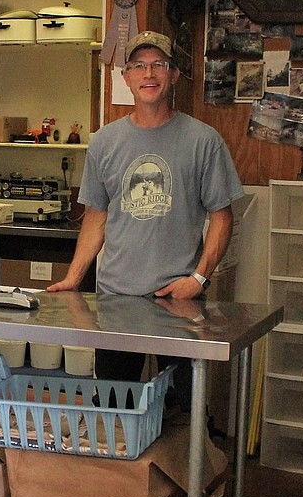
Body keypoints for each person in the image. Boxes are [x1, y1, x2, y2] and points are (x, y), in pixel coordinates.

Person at [47, 30, 244, 407]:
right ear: (126, 78)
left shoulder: (204, 141)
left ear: (173, 75)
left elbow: (222, 217)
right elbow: (96, 216)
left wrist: (199, 279)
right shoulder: (104, 142)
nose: (148, 74)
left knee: (183, 410)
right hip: (116, 301)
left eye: (158, 65)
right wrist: (74, 277)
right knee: (114, 407)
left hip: (180, 302)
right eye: (138, 65)